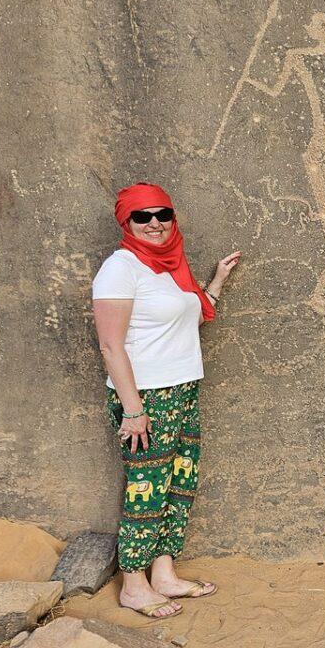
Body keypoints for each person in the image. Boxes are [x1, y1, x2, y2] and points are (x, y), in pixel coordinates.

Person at [91, 182, 241, 619]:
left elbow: (188, 319)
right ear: (127, 222)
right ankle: (134, 586)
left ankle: (164, 574)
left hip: (184, 389)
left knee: (179, 483)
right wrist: (134, 410)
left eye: (163, 214)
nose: (154, 223)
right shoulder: (120, 268)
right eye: (143, 216)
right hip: (146, 397)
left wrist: (216, 282)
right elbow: (110, 346)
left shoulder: (171, 266)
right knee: (147, 490)